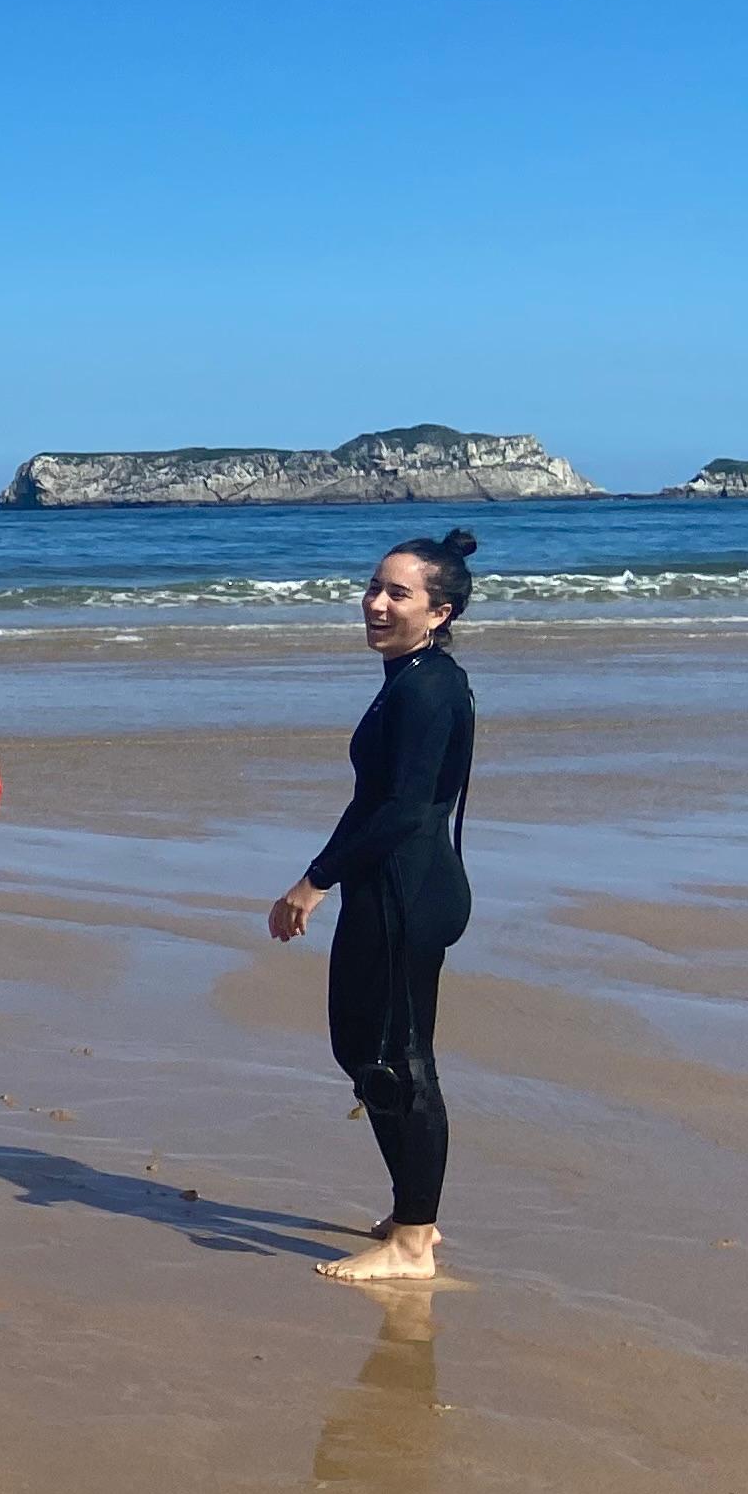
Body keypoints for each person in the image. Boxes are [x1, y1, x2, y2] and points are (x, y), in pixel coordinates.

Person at [269, 530, 479, 1286]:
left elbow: (403, 810)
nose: (377, 603)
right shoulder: (414, 677)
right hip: (398, 883)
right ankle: (409, 1212)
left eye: (399, 593)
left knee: (398, 1060)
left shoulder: (425, 688)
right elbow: (372, 802)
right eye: (374, 587)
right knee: (365, 1050)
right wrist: (324, 873)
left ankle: (415, 1240)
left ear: (440, 611)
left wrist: (314, 882)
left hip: (407, 890)